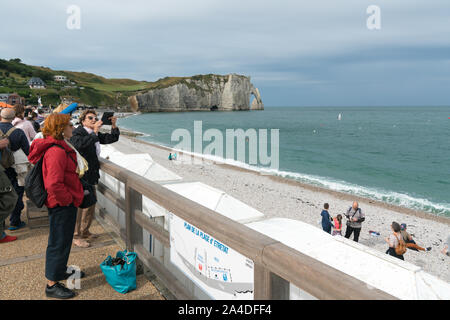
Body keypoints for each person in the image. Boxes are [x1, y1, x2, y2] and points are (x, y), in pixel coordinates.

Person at [28, 113, 85, 299]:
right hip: (61, 204)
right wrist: (67, 199)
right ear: (60, 129)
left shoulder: (57, 146)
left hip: (62, 202)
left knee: (63, 239)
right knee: (58, 242)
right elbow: (53, 184)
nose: (73, 128)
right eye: (69, 125)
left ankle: (60, 270)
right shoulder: (57, 151)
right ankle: (52, 284)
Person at [70, 109, 120, 248]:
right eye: (90, 118)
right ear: (83, 121)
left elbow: (111, 138)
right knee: (81, 205)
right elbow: (79, 145)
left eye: (95, 117)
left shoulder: (93, 133)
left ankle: (85, 231)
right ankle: (76, 236)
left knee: (90, 203)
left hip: (91, 173)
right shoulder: (77, 132)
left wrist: (114, 126)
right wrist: (95, 132)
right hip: (80, 174)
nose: (94, 120)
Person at [0, 108, 30, 231]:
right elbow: (28, 151)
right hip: (13, 167)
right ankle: (15, 221)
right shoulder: (18, 132)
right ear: (14, 118)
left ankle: (2, 224)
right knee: (16, 193)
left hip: (0, 169)